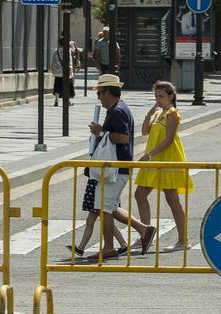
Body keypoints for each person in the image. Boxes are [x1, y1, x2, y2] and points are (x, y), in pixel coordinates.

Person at [87, 73, 143, 258]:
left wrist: (101, 132)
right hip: (117, 167)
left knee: (104, 208)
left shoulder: (117, 111)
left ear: (108, 93)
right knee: (109, 207)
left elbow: (123, 137)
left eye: (99, 93)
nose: (98, 97)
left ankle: (109, 247)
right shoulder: (117, 109)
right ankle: (144, 230)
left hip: (116, 167)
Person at [134, 81, 192, 252]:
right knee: (139, 194)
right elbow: (145, 131)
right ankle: (145, 234)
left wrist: (149, 155)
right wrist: (149, 114)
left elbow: (169, 139)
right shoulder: (160, 113)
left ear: (171, 96)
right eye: (156, 96)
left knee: (172, 199)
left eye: (161, 96)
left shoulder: (172, 113)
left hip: (167, 160)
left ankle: (183, 239)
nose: (158, 100)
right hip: (154, 160)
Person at [50, 36, 75, 107]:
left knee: (57, 86)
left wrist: (53, 70)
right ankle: (68, 101)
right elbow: (72, 58)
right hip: (67, 72)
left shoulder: (56, 51)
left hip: (58, 72)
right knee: (68, 86)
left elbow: (53, 61)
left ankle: (56, 100)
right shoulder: (69, 50)